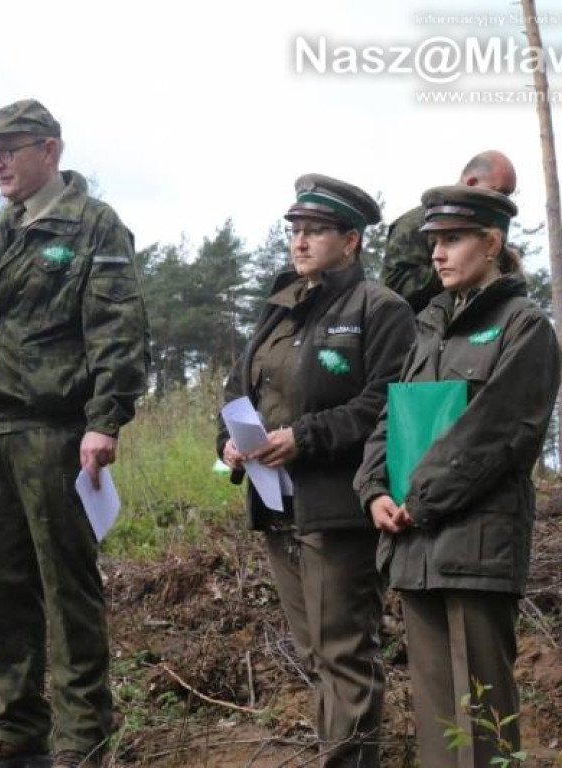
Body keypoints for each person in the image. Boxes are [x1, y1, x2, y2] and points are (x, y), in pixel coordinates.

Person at [0, 98, 150, 768]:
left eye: (10, 146)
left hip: (56, 432)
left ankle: (84, 740)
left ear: (49, 150)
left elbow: (118, 331)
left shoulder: (92, 226)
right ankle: (19, 729)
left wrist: (104, 420)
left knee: (67, 587)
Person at [356, 186, 559, 768]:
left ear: (491, 243)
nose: (437, 254)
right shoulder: (428, 328)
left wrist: (415, 498)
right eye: (433, 243)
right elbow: (387, 419)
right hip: (414, 546)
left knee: (482, 721)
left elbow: (494, 435)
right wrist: (373, 491)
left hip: (477, 549)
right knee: (438, 723)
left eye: (452, 240)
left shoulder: (525, 328)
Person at [217, 175, 415, 767]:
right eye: (295, 230)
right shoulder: (279, 307)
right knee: (316, 654)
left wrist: (305, 437)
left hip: (339, 505)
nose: (299, 242)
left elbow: (386, 401)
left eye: (315, 232)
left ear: (351, 240)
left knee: (345, 653)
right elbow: (238, 387)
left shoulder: (379, 309)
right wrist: (228, 440)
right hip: (278, 506)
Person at [382, 150, 516, 313]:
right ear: (471, 182)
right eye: (499, 192)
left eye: (507, 195)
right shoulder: (413, 223)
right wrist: (463, 269)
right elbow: (395, 288)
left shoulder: (492, 226)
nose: (503, 201)